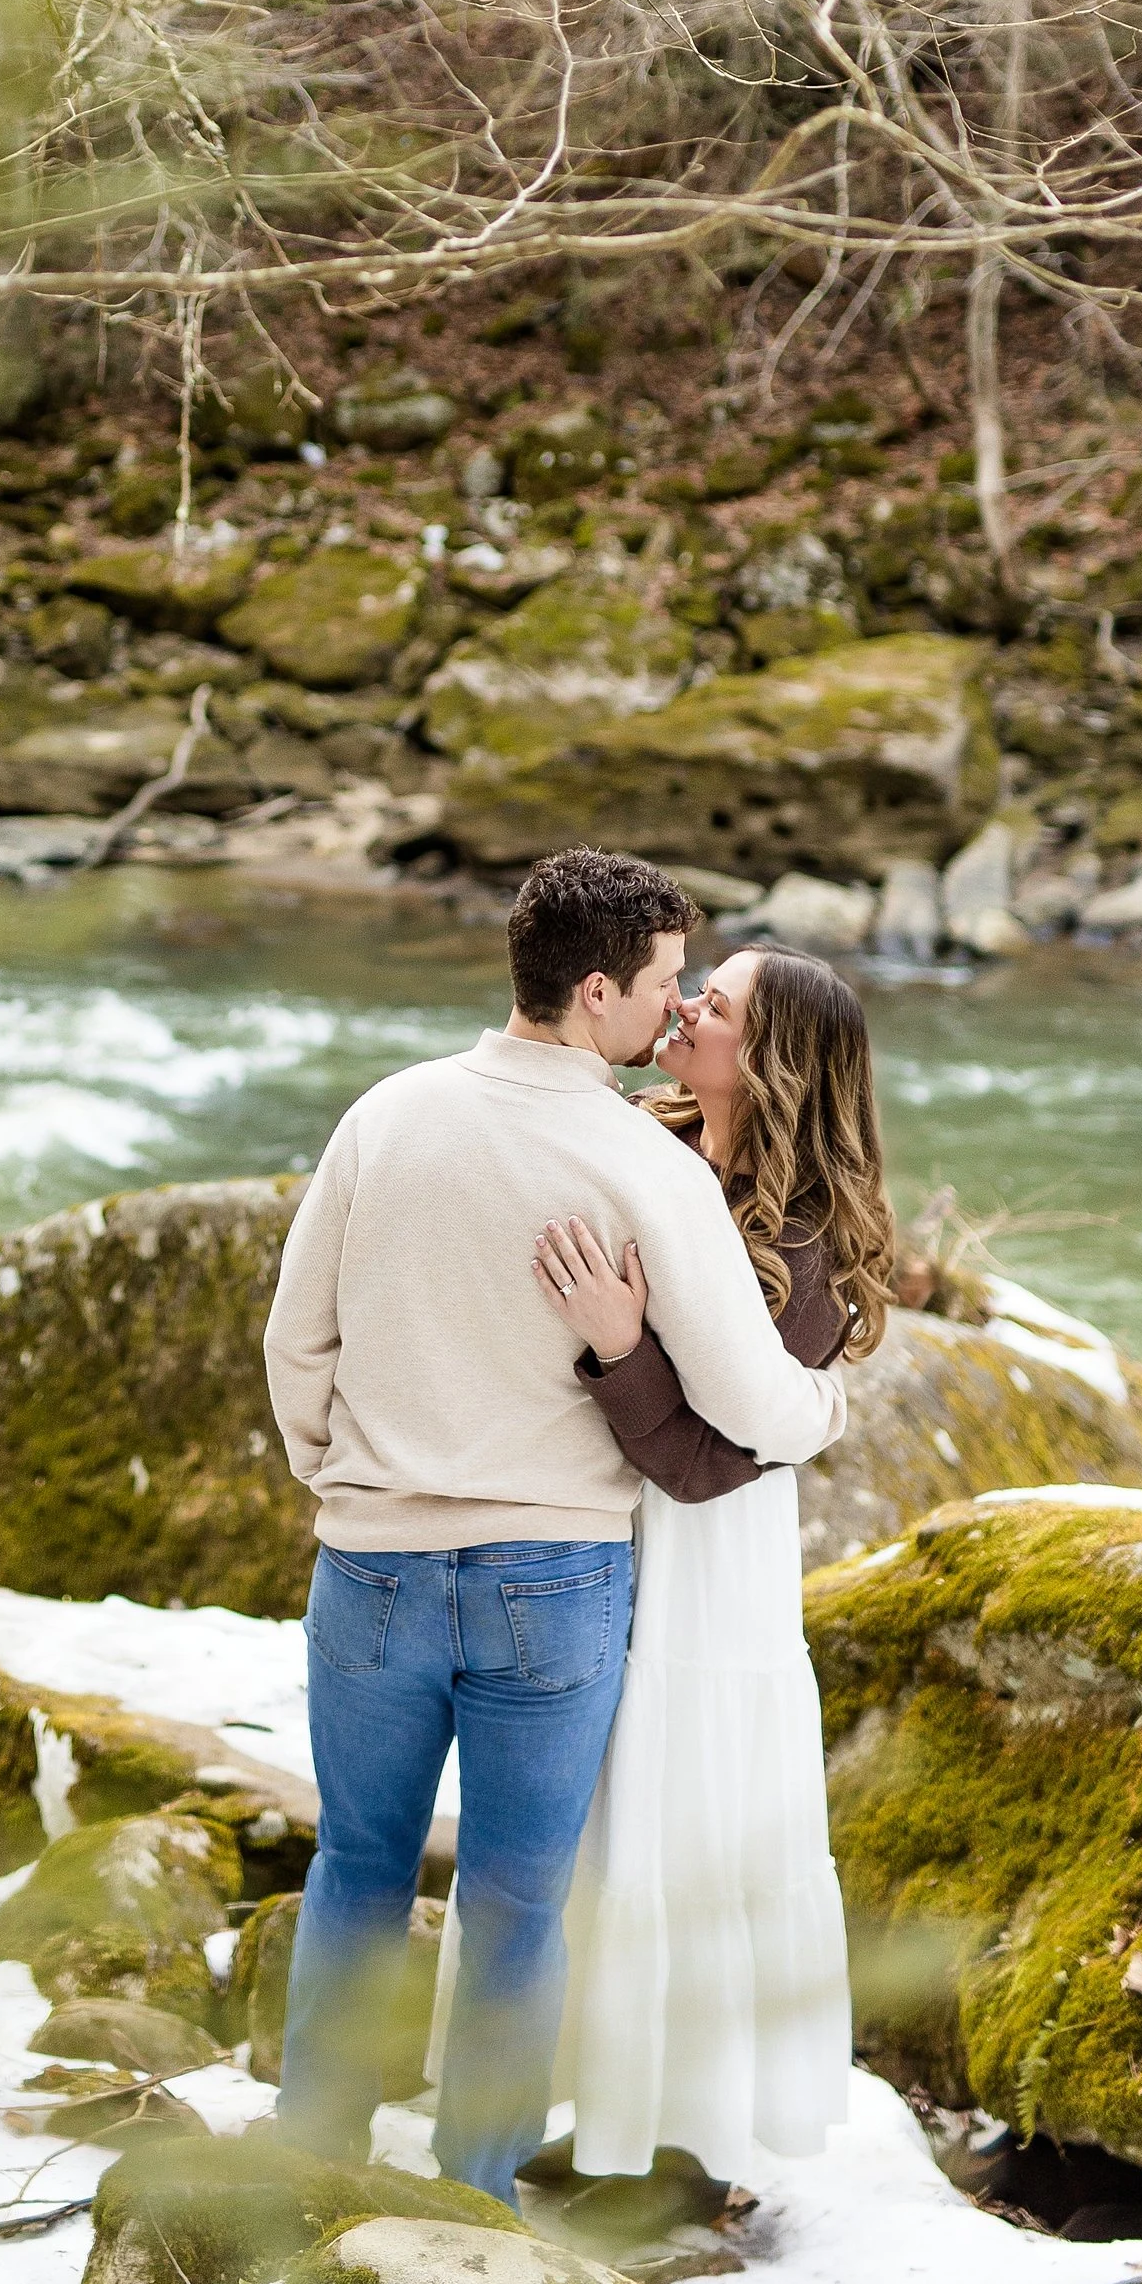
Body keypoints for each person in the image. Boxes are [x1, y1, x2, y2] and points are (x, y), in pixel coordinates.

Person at [261, 851, 851, 2205]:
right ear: (596, 991)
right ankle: (471, 2200)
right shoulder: (642, 1164)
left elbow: (299, 1335)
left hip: (374, 1564)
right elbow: (754, 1400)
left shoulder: (387, 1114)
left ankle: (308, 2160)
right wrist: (824, 1400)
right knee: (517, 1907)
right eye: (659, 985)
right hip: (555, 1582)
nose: (676, 1007)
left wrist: (339, 1477)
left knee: (354, 1865)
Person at [520, 945, 898, 2180]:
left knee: (683, 1824)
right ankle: (598, 2110)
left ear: (771, 1058)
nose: (683, 1007)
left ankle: (680, 2152)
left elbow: (702, 1458)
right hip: (594, 1525)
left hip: (709, 1564)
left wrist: (621, 1345)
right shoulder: (647, 1139)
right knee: (603, 1820)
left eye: (714, 1003)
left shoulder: (811, 1244)